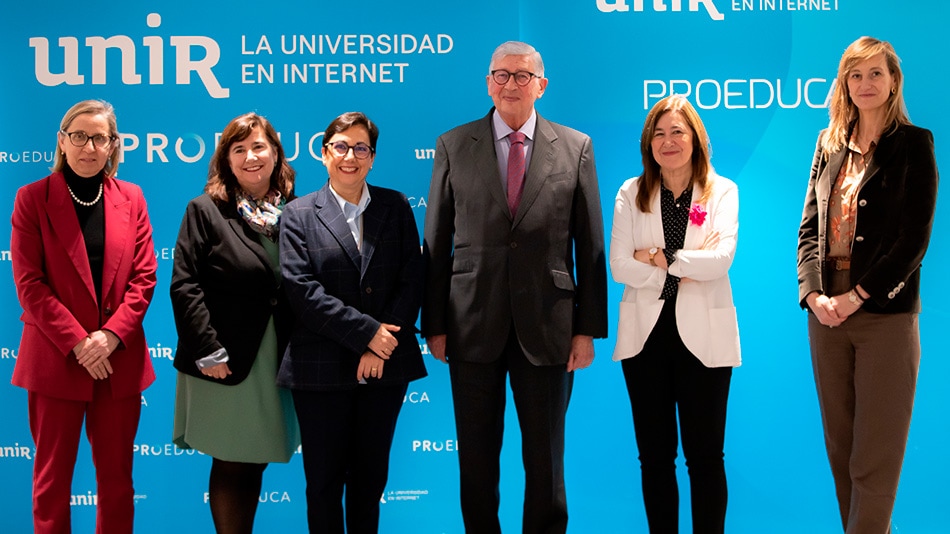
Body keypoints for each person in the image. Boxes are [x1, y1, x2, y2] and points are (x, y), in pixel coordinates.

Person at [422, 41, 608, 534]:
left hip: (549, 327)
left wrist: (586, 329)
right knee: (477, 460)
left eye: (521, 76)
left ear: (541, 86)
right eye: (500, 75)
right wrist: (435, 325)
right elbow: (436, 244)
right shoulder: (453, 145)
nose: (509, 84)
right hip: (470, 324)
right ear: (488, 82)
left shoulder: (575, 147)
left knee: (546, 461)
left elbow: (590, 245)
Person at [797, 36, 937, 533]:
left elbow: (913, 239)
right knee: (841, 451)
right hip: (826, 317)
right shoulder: (827, 143)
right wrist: (814, 296)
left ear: (893, 81)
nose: (865, 84)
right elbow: (809, 228)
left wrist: (858, 296)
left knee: (873, 459)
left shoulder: (913, 144)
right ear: (844, 84)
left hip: (884, 316)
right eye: (855, 75)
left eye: (875, 73)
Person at [10, 99, 157, 533]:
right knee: (51, 483)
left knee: (117, 483)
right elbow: (30, 284)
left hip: (117, 361)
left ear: (113, 145)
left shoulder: (131, 197)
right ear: (62, 140)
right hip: (56, 360)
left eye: (99, 137)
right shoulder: (33, 198)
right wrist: (80, 342)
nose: (88, 146)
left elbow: (144, 277)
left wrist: (108, 337)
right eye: (79, 136)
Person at [278, 111, 427, 533]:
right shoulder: (298, 213)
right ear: (324, 154)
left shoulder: (395, 206)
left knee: (369, 481)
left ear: (373, 158)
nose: (350, 156)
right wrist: (368, 336)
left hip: (386, 366)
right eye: (341, 146)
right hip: (320, 368)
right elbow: (302, 292)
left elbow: (411, 278)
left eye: (361, 148)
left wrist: (383, 344)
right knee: (323, 484)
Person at [609, 95, 740, 533]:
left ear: (695, 139)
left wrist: (661, 258)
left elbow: (720, 260)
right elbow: (619, 265)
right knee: (655, 457)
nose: (668, 141)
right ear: (649, 144)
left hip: (705, 339)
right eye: (659, 134)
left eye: (677, 132)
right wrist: (684, 266)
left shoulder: (722, 191)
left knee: (705, 458)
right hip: (646, 340)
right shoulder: (631, 192)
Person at [170, 112, 300, 534]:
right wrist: (207, 349)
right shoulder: (205, 211)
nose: (250, 157)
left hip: (275, 358)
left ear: (276, 153)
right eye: (238, 149)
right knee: (231, 461)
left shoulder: (297, 212)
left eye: (259, 146)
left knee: (254, 458)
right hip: (223, 358)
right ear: (225, 158)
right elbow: (184, 284)